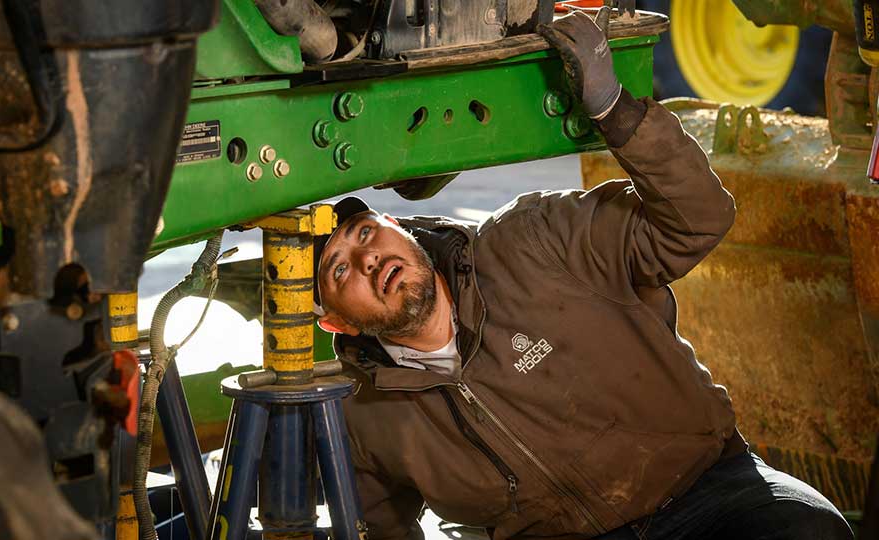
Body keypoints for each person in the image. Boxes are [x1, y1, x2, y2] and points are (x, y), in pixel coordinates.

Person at [312, 8, 854, 540]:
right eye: (341, 269)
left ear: (396, 224)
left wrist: (618, 113)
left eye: (364, 233)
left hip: (707, 491)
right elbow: (378, 527)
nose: (369, 260)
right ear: (338, 324)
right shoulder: (364, 414)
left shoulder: (533, 240)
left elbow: (700, 220)